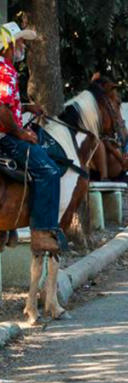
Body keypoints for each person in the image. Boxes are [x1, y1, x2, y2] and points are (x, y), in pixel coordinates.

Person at [0, 22, 66, 255]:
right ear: (7, 45)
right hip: (5, 137)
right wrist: (20, 133)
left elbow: (8, 105)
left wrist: (27, 107)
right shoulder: (5, 71)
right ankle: (43, 232)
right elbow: (1, 109)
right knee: (49, 170)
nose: (23, 46)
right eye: (19, 41)